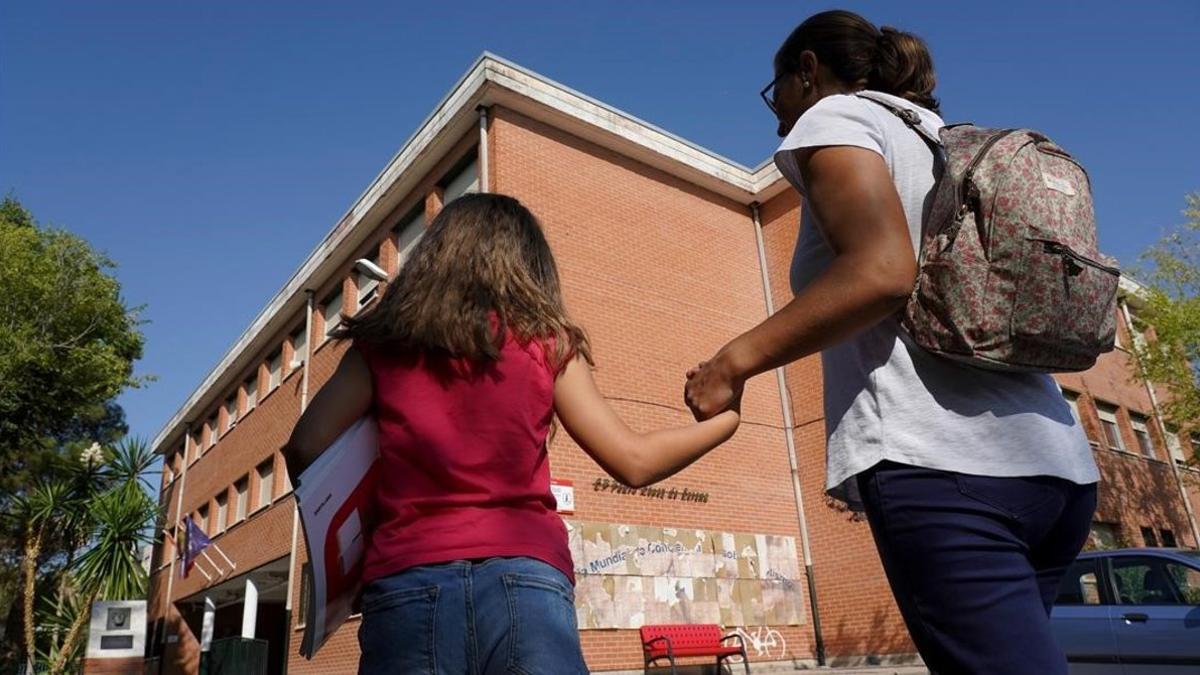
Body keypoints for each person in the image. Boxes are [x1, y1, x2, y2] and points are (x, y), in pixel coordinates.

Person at [684, 10, 1098, 674]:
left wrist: (735, 361)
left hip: (947, 466)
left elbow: (880, 272)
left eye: (777, 92)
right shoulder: (941, 136)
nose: (777, 115)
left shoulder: (835, 117)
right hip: (1057, 466)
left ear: (809, 71)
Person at [282, 193, 740, 674]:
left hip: (407, 577)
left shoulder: (381, 345)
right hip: (528, 579)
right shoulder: (549, 343)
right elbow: (634, 460)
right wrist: (727, 422)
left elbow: (306, 446)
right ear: (530, 265)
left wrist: (358, 539)